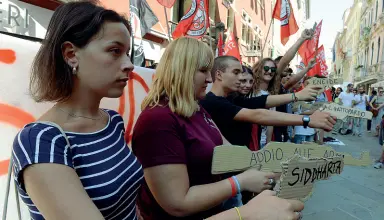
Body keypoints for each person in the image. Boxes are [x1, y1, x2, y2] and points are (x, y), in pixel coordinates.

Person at [131, 37, 303, 219]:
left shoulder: (197, 109)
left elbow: (225, 149)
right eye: (203, 70)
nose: (209, 78)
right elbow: (178, 203)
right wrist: (240, 182)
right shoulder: (157, 119)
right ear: (182, 70)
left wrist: (265, 161)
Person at [11, 2, 143, 219]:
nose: (129, 64)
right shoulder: (41, 141)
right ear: (71, 54)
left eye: (127, 53)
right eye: (115, 51)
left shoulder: (112, 122)